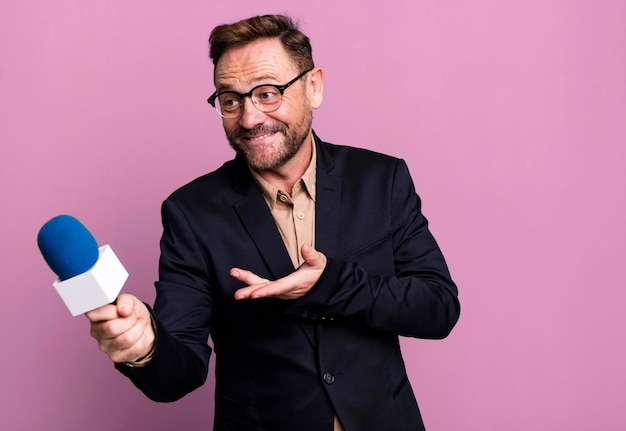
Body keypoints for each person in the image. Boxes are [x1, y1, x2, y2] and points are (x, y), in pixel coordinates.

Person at [86, 14, 460, 431]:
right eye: (230, 100)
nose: (248, 119)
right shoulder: (190, 212)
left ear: (314, 86)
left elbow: (438, 308)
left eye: (267, 93)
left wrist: (331, 285)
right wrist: (145, 347)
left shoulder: (381, 179)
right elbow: (180, 373)